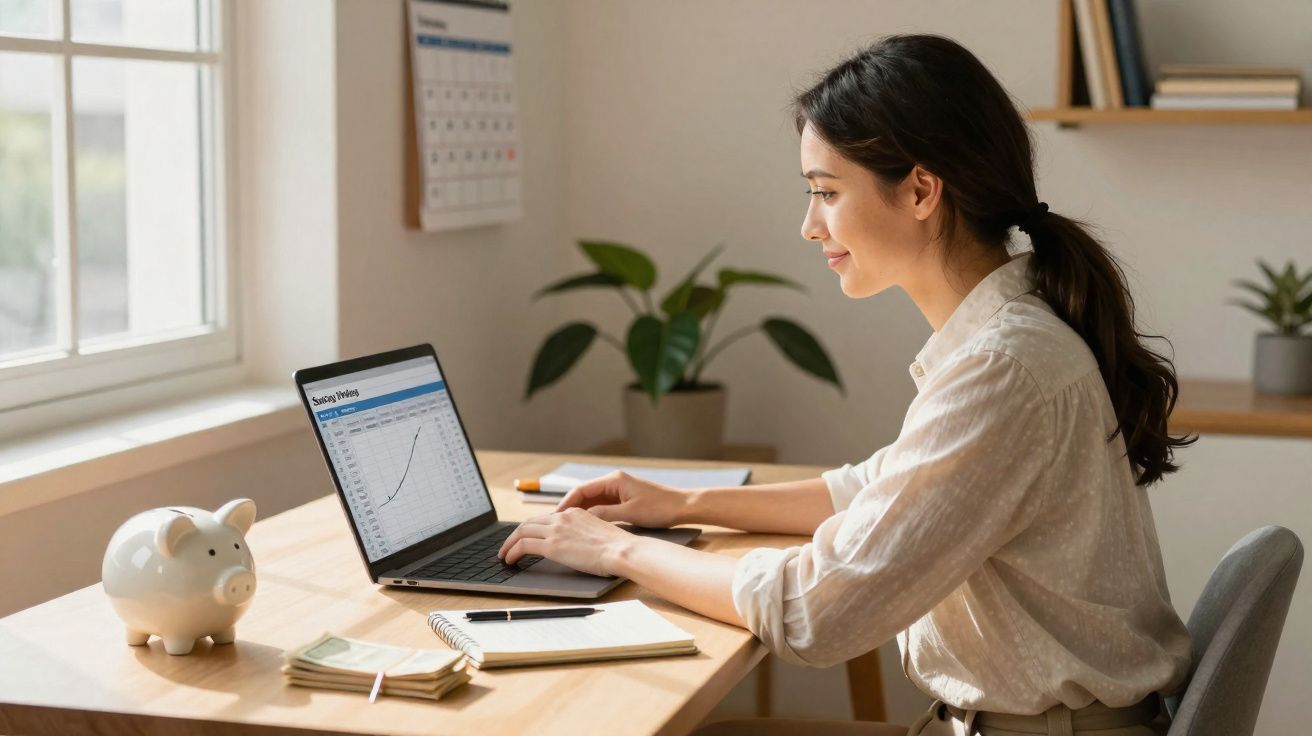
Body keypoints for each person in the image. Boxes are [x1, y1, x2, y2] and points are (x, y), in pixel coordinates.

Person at [498, 34, 1196, 736]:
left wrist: (613, 550)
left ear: (921, 190)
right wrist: (683, 502)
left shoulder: (1004, 369)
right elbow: (876, 490)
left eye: (826, 193)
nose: (810, 226)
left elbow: (813, 614)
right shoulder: (1010, 337)